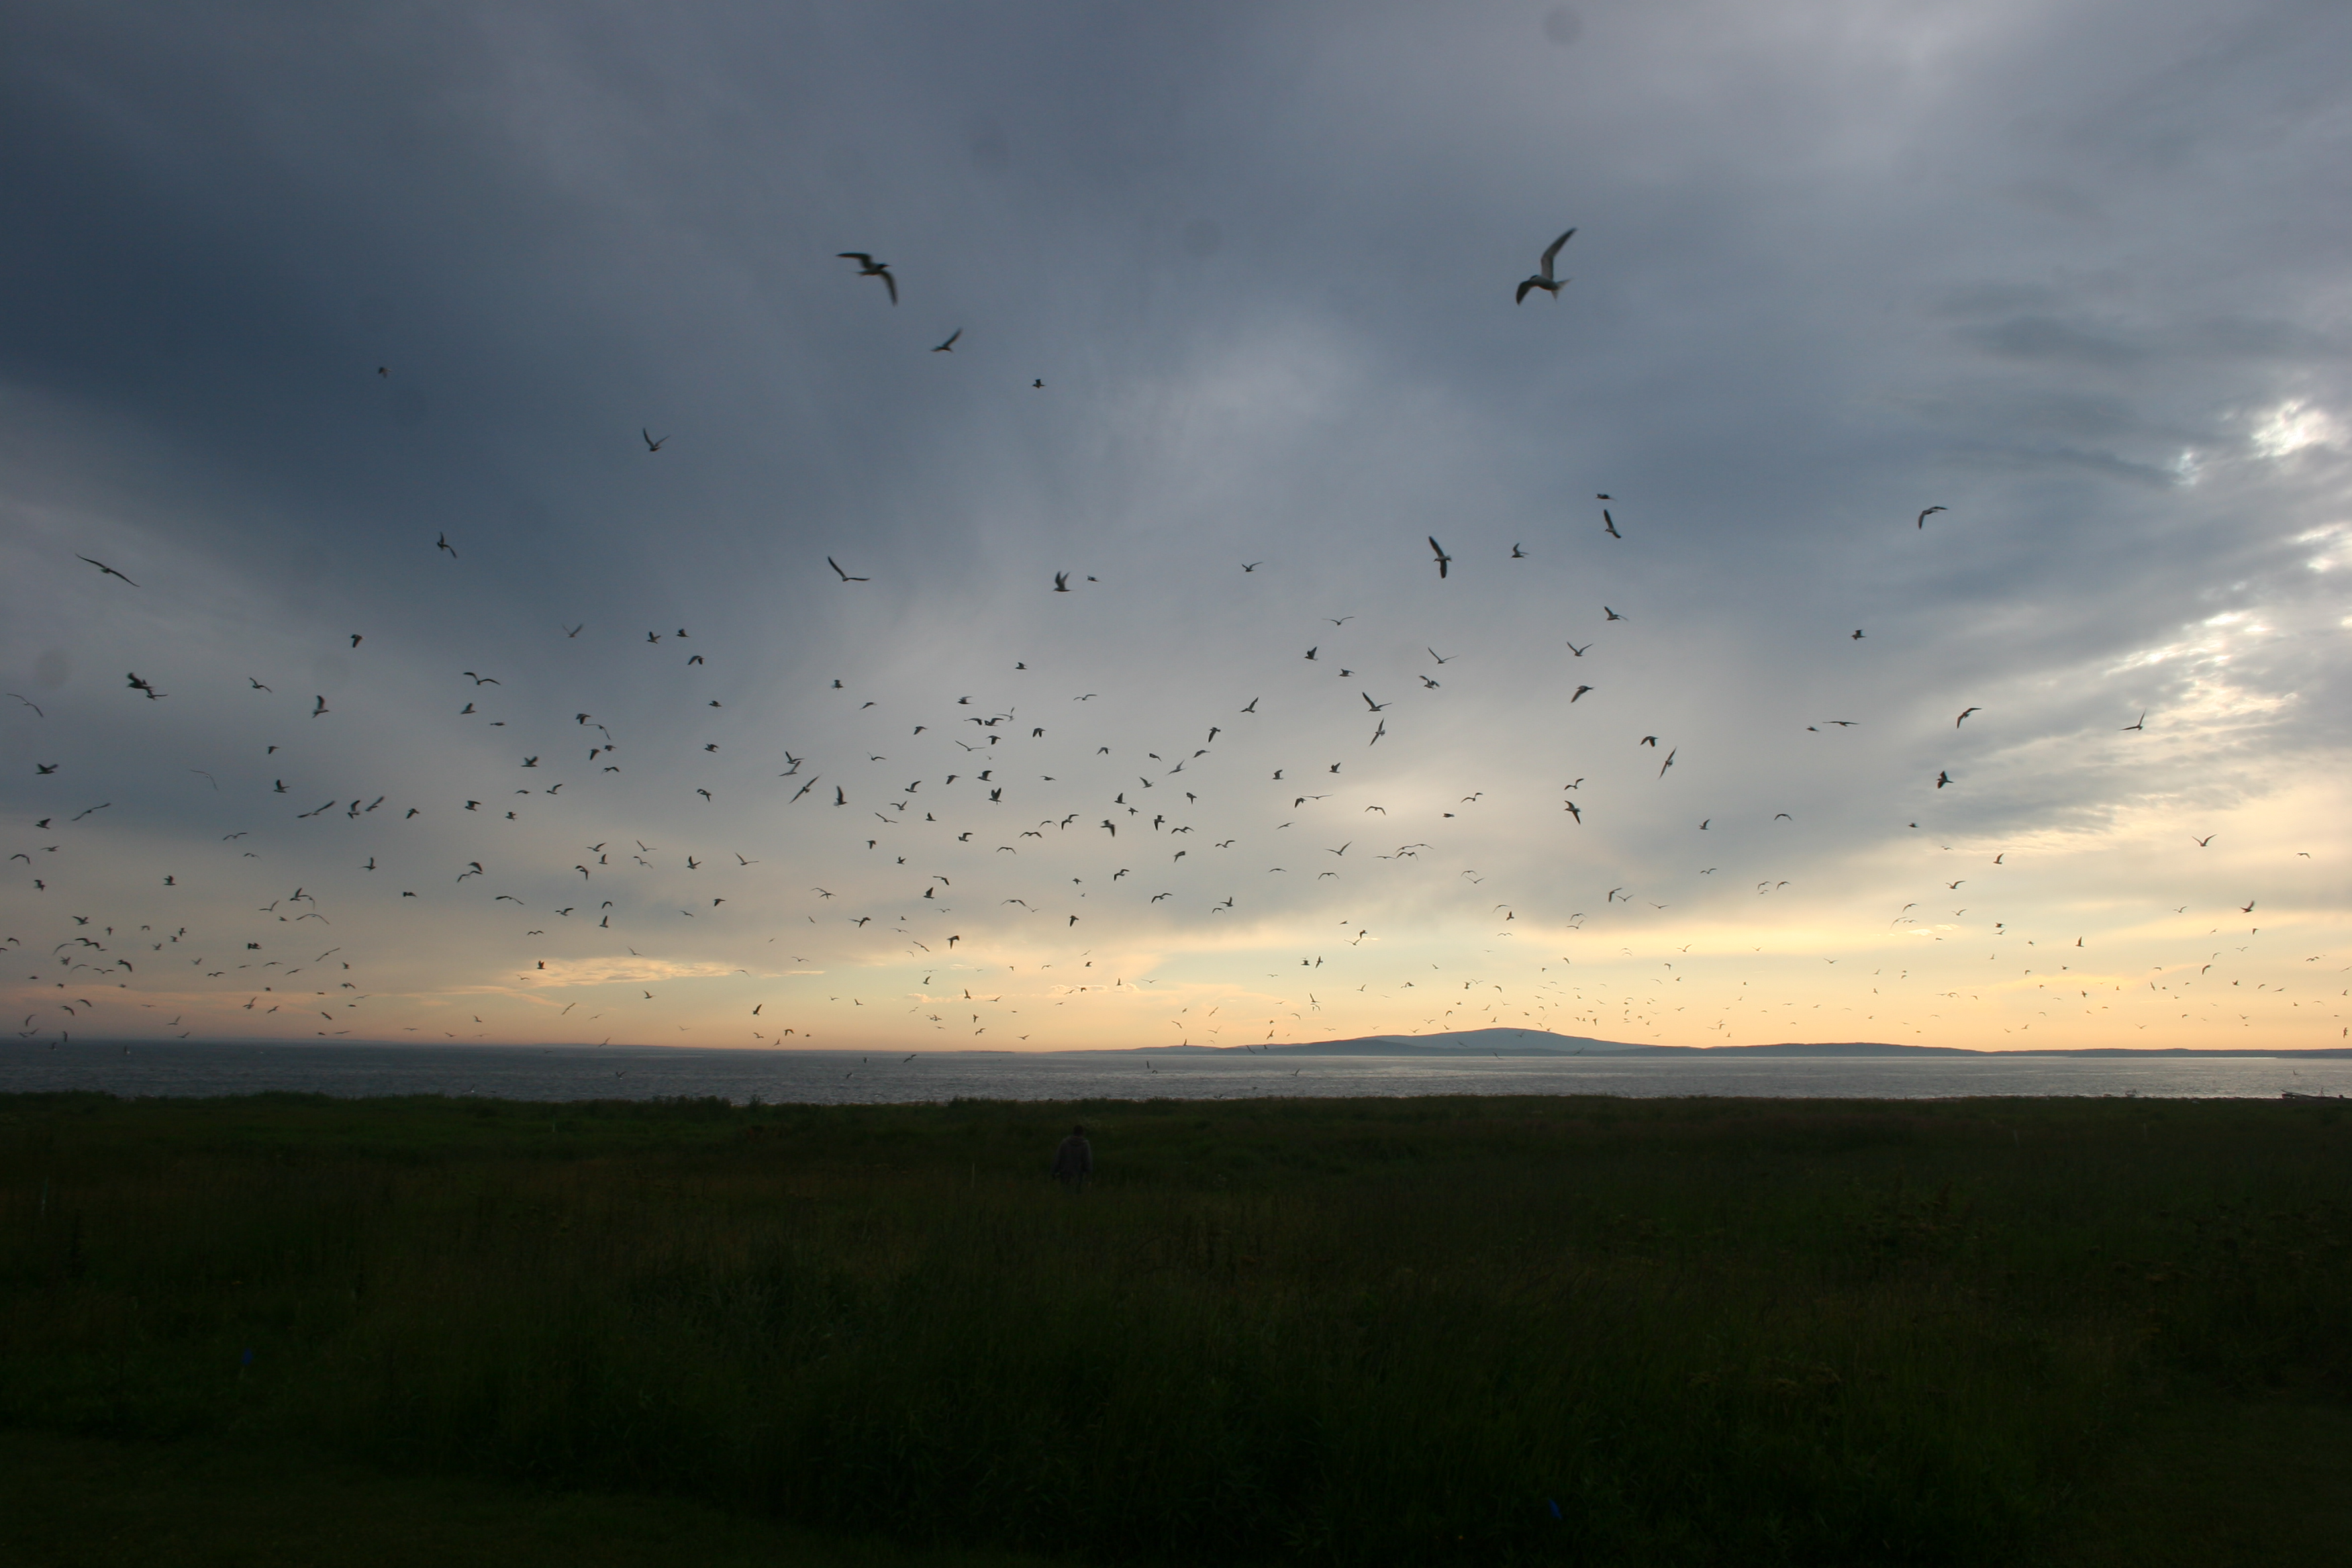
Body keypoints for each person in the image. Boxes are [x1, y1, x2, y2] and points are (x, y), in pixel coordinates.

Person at [1050, 1123, 1092, 1193]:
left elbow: (1058, 1158)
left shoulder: (1064, 1143)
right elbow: (1088, 1161)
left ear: (1073, 1132)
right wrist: (1089, 1176)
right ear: (1083, 1133)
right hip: (1079, 1175)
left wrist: (1054, 1172)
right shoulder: (1085, 1145)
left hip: (1065, 1173)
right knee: (1077, 1194)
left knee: (1065, 1193)